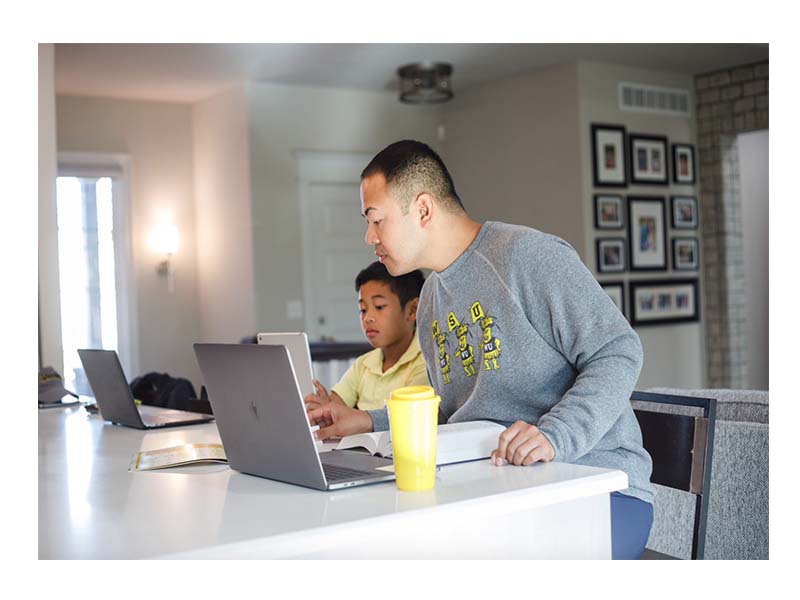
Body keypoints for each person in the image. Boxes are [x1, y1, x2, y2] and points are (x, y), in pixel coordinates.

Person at [307, 140, 655, 559]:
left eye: (376, 220)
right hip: (502, 490)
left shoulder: (527, 257)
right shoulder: (433, 295)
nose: (369, 237)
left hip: (598, 490)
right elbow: (453, 413)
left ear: (422, 209)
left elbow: (617, 351)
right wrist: (364, 421)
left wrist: (554, 435)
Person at [303, 261, 429, 412]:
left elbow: (407, 415)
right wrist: (324, 406)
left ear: (412, 310)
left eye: (379, 306)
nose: (367, 318)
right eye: (363, 309)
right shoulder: (363, 365)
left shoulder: (425, 362)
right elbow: (335, 406)